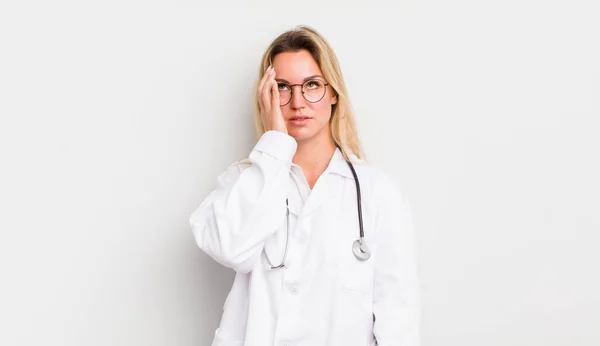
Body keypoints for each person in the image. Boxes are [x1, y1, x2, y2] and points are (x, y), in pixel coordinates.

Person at [189, 25, 420, 346]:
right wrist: (274, 148)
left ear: (334, 92)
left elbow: (398, 318)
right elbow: (231, 249)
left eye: (312, 85)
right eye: (282, 87)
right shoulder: (245, 181)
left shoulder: (377, 193)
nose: (297, 101)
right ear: (265, 96)